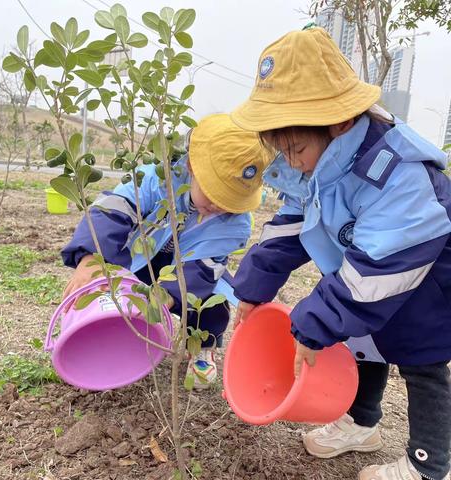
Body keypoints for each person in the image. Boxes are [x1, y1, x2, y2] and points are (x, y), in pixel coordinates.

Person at [230, 27, 451, 480]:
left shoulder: (396, 170)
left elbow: (385, 264)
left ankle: (430, 465)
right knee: (363, 346)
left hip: (426, 282)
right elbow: (293, 224)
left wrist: (317, 319)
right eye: (282, 150)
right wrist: (253, 286)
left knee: (422, 363)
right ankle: (361, 423)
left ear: (340, 122)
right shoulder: (320, 163)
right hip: (367, 273)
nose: (291, 162)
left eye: (296, 148)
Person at [61, 113, 270, 390]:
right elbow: (113, 211)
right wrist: (91, 259)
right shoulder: (157, 180)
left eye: (230, 201)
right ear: (192, 167)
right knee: (108, 289)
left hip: (189, 271)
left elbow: (201, 269)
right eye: (215, 194)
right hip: (138, 262)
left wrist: (167, 297)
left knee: (210, 304)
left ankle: (203, 348)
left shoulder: (235, 224)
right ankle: (105, 340)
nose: (220, 206)